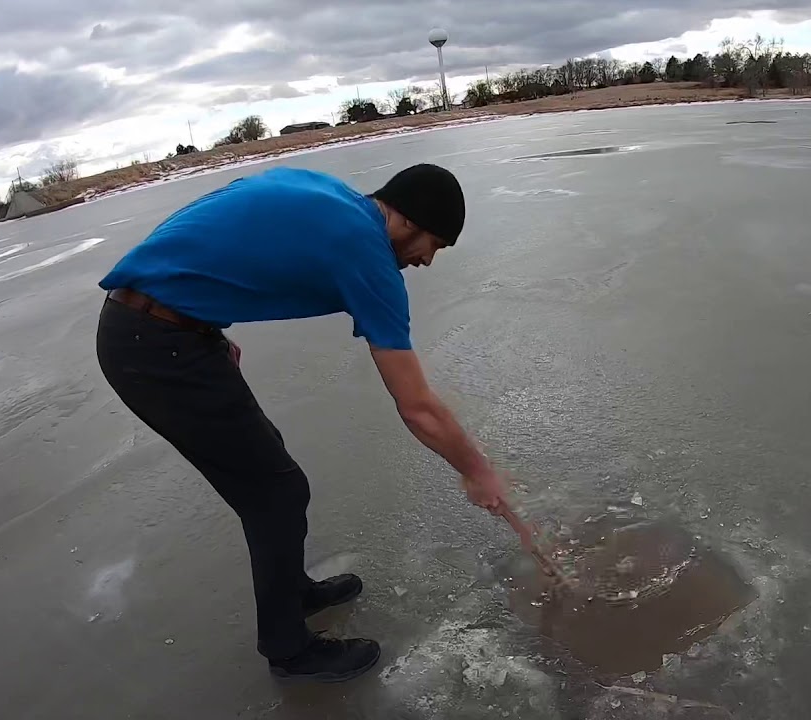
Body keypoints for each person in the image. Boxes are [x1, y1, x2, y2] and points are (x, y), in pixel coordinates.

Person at [94, 163, 508, 684]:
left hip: (165, 328)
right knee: (274, 494)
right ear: (408, 221)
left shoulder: (335, 197)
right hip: (153, 346)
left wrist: (204, 321)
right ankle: (288, 649)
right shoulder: (366, 252)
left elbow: (220, 223)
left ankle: (293, 592)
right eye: (435, 244)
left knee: (272, 470)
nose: (426, 260)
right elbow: (417, 406)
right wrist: (476, 470)